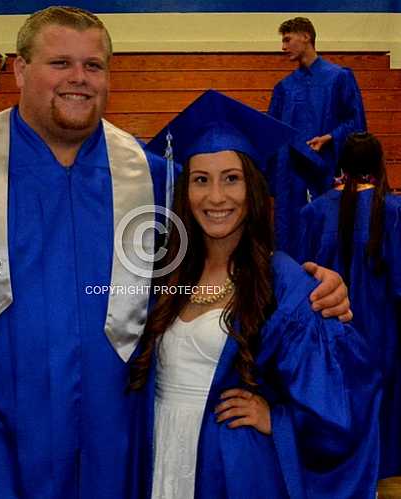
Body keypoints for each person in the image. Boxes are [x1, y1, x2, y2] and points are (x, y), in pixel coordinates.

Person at [0, 7, 351, 499]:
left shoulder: (153, 176)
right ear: (19, 69)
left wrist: (310, 285)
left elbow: (226, 251)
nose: (78, 79)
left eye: (93, 66)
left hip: (118, 454)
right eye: (60, 63)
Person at [132, 90, 381, 499]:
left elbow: (346, 398)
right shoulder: (167, 273)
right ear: (184, 190)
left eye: (232, 178)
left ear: (252, 187)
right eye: (200, 180)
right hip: (159, 453)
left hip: (228, 471)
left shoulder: (282, 279)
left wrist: (278, 420)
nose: (216, 197)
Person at [298, 132, 401, 480]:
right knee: (378, 414)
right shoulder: (393, 210)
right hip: (380, 333)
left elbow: (301, 280)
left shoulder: (314, 211)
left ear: (341, 165)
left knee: (335, 414)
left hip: (329, 336)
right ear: (377, 165)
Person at [268, 16, 366, 257]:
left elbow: (356, 122)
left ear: (306, 37)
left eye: (287, 40)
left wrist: (331, 137)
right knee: (291, 229)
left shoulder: (338, 77)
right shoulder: (284, 87)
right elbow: (272, 132)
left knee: (327, 233)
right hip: (290, 174)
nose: (283, 47)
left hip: (327, 168)